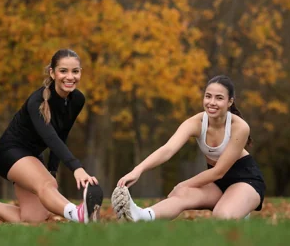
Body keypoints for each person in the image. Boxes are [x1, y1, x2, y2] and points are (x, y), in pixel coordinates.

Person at [0, 49, 103, 224]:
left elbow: (61, 135)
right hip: (9, 152)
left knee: (33, 218)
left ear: (80, 72)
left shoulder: (77, 100)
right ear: (52, 73)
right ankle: (77, 214)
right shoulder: (36, 102)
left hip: (32, 156)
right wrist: (76, 167)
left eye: (75, 71)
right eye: (63, 71)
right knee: (47, 185)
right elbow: (50, 137)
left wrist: (52, 170)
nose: (70, 77)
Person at [111, 75, 265, 221]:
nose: (211, 102)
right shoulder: (195, 123)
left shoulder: (240, 127)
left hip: (246, 180)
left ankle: (240, 209)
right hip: (217, 183)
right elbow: (168, 150)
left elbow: (219, 171)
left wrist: (183, 184)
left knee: (222, 217)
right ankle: (141, 216)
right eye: (208, 96)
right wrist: (137, 170)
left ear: (230, 102)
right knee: (182, 194)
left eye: (219, 98)